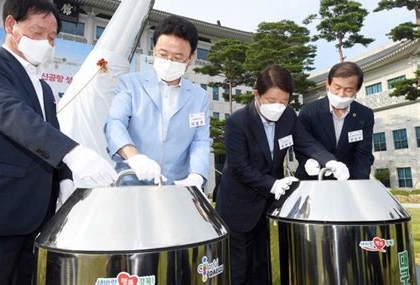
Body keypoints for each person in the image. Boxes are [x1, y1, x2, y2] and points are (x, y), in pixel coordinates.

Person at [0, 0, 117, 285]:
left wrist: (64, 179)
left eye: (52, 37)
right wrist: (73, 154)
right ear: (12, 24)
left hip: (35, 217)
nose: (47, 43)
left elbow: (51, 130)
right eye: (39, 33)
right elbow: (10, 114)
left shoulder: (44, 88)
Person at [215, 65, 349, 285]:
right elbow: (239, 167)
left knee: (264, 264)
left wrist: (330, 161)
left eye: (284, 101)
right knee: (238, 268)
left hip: (268, 206)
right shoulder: (237, 122)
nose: (278, 107)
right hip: (238, 205)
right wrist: (273, 184)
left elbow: (307, 143)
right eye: (271, 100)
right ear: (256, 94)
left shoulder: (288, 117)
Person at [104, 15, 209, 190]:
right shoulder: (130, 84)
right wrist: (134, 157)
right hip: (131, 182)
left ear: (190, 58)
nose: (169, 62)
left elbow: (200, 141)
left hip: (175, 187)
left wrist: (197, 175)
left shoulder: (199, 97)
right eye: (163, 54)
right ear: (154, 51)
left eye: (177, 57)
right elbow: (115, 123)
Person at [295, 61, 374, 180]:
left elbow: (363, 154)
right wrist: (308, 162)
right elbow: (302, 145)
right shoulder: (309, 111)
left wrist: (358, 183)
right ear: (328, 83)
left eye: (348, 89)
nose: (341, 94)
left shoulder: (364, 115)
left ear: (357, 89)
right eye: (337, 87)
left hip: (347, 180)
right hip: (313, 180)